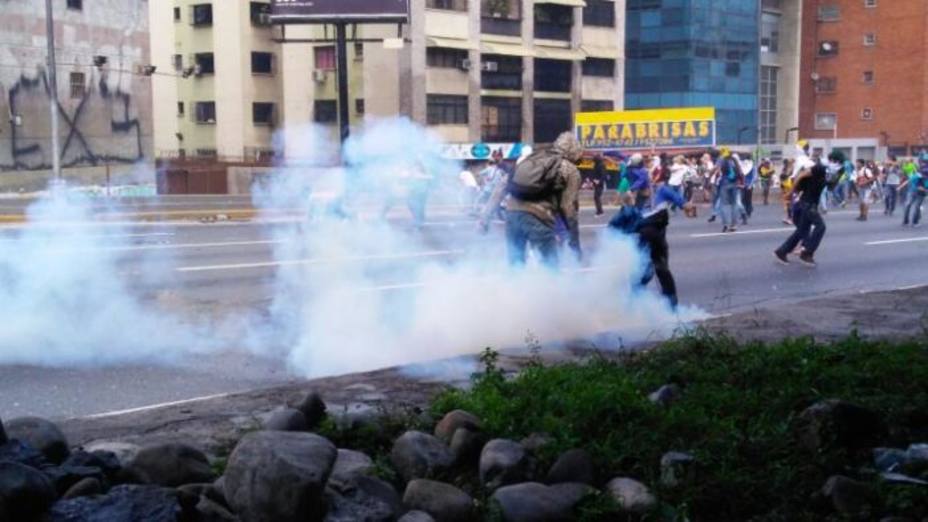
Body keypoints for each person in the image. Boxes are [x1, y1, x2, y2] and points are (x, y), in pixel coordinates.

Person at [478, 132, 582, 267]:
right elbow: (568, 208)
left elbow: (501, 188)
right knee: (551, 267)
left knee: (516, 266)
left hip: (512, 215)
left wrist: (484, 219)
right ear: (575, 151)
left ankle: (513, 288)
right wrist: (574, 243)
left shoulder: (530, 159)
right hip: (539, 218)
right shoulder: (570, 169)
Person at [609, 185, 694, 310]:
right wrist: (689, 206)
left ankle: (633, 304)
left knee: (642, 270)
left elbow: (628, 213)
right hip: (654, 235)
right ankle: (672, 308)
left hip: (643, 235)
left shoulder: (638, 194)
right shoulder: (663, 189)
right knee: (662, 271)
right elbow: (686, 206)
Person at [774, 160, 828, 267]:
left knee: (801, 231)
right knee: (821, 227)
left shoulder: (807, 179)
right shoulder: (820, 178)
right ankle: (807, 253)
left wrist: (801, 176)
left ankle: (782, 251)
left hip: (802, 205)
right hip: (808, 206)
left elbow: (798, 183)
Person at [716, 147, 743, 232]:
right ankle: (734, 225)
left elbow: (717, 170)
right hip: (735, 183)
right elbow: (740, 172)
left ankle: (725, 224)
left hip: (725, 183)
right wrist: (741, 182)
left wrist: (711, 176)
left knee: (723, 204)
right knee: (734, 204)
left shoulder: (721, 159)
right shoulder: (734, 159)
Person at [899, 159, 927, 227]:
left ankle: (909, 221)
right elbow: (910, 181)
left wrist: (900, 187)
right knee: (913, 206)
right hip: (916, 191)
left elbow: (909, 180)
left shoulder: (918, 173)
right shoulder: (919, 174)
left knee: (911, 205)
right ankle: (912, 222)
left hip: (915, 191)